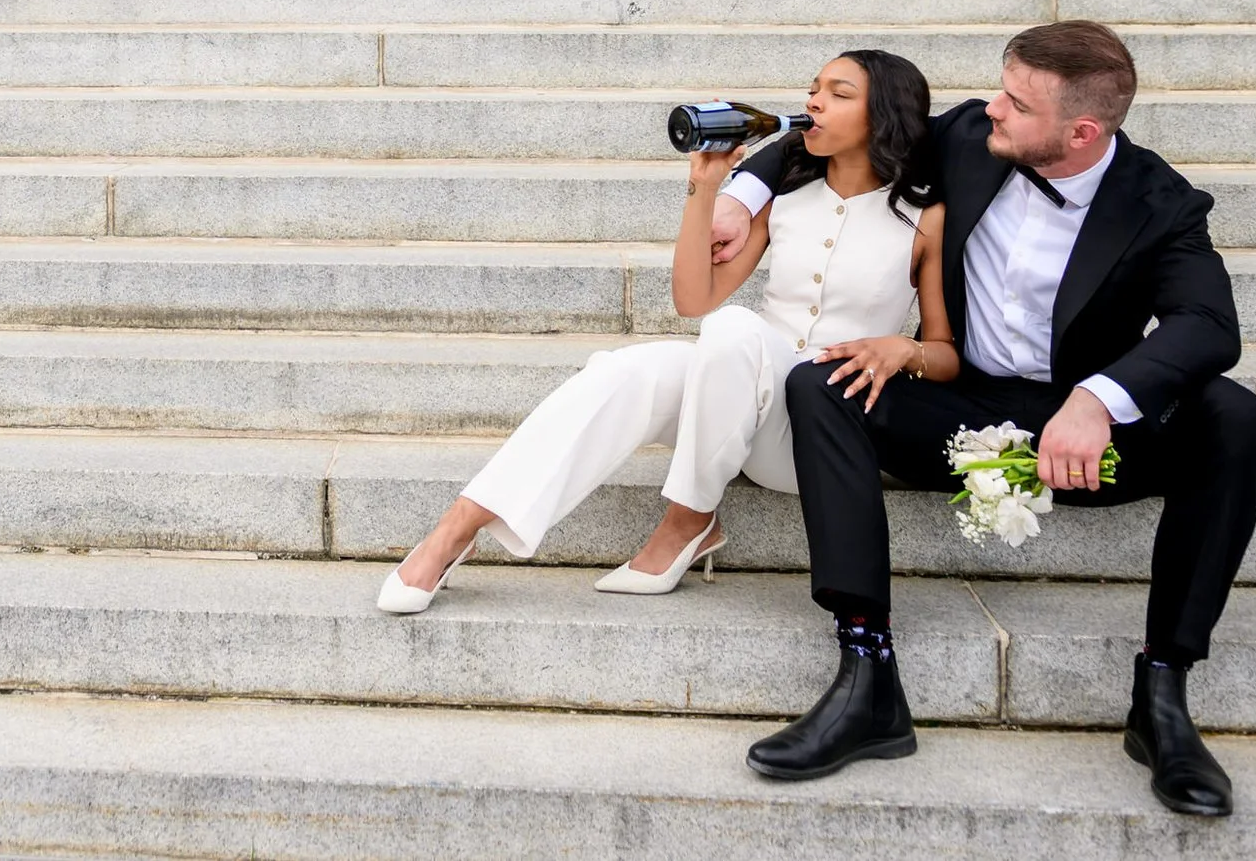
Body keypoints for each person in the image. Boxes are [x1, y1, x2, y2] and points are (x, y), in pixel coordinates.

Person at [711, 21, 1256, 818]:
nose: (990, 107)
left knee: (1233, 417)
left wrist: (1100, 398)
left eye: (1016, 100)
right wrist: (742, 191)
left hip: (1079, 438)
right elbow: (844, 126)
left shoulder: (1160, 201)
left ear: (1081, 131)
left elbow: (1210, 325)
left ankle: (1162, 695)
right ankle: (868, 678)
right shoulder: (977, 134)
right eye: (1001, 87)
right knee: (821, 382)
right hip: (956, 407)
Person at [378, 50, 956, 614]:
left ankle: (688, 518)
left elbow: (947, 355)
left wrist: (902, 349)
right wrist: (705, 186)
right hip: (739, 391)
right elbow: (694, 299)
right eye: (814, 89)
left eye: (838, 93)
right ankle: (458, 526)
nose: (814, 102)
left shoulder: (924, 219)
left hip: (816, 436)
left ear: (884, 115)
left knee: (734, 330)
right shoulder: (784, 200)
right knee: (632, 368)